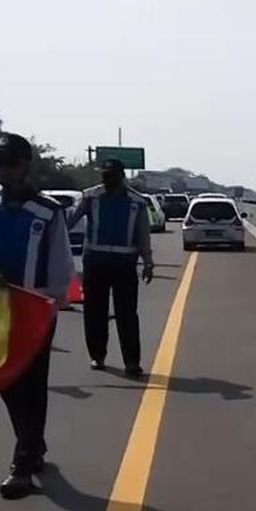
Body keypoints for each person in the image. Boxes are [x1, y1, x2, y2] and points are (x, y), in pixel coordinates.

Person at [0, 133, 74, 499]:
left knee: (31, 383)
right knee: (4, 379)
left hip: (32, 308)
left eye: (9, 163)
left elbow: (61, 267)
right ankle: (32, 446)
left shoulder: (47, 211)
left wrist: (48, 305)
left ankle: (22, 462)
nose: (2, 170)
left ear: (25, 165)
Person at [69, 159, 154, 376]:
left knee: (127, 315)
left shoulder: (136, 202)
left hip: (124, 265)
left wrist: (148, 262)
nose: (106, 180)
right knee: (94, 313)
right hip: (95, 263)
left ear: (121, 177)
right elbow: (68, 221)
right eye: (103, 176)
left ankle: (132, 362)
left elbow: (143, 234)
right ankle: (97, 356)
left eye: (110, 176)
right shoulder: (90, 197)